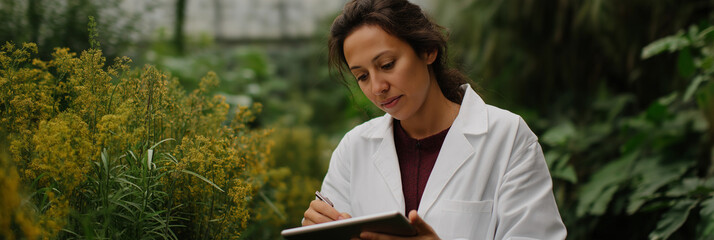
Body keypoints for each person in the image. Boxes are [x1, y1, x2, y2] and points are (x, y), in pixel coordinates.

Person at [302, 0, 567, 239]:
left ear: (428, 51)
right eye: (362, 76)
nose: (377, 87)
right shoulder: (354, 149)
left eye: (387, 65)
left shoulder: (507, 138)